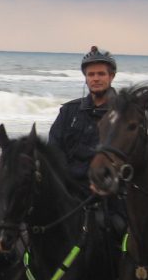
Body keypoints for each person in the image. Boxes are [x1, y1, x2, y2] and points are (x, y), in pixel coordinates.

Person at [49, 46, 118, 186]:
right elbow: (54, 149)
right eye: (91, 74)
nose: (96, 79)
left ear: (111, 76)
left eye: (101, 74)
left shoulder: (122, 114)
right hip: (68, 187)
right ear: (85, 78)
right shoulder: (69, 111)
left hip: (106, 187)